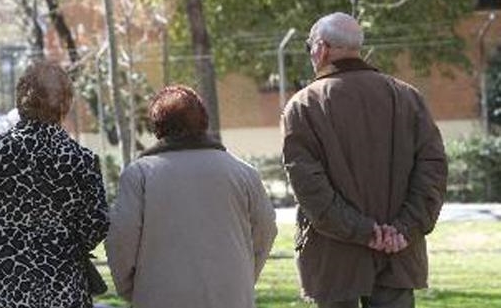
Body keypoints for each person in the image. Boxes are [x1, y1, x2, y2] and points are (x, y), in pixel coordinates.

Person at [281, 12, 448, 308]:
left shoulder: (304, 106)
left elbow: (310, 188)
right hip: (397, 254)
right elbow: (432, 171)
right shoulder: (408, 98)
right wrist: (401, 229)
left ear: (321, 48)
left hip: (334, 258)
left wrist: (365, 232)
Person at [0, 60, 109, 308]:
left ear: (22, 100)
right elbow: (96, 223)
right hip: (61, 290)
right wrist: (64, 247)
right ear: (65, 104)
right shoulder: (81, 161)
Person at [106, 85, 277, 308]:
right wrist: (244, 276)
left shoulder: (140, 175)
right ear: (204, 121)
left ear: (157, 127)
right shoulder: (243, 172)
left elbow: (121, 239)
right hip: (230, 295)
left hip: (159, 295)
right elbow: (266, 230)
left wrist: (131, 288)